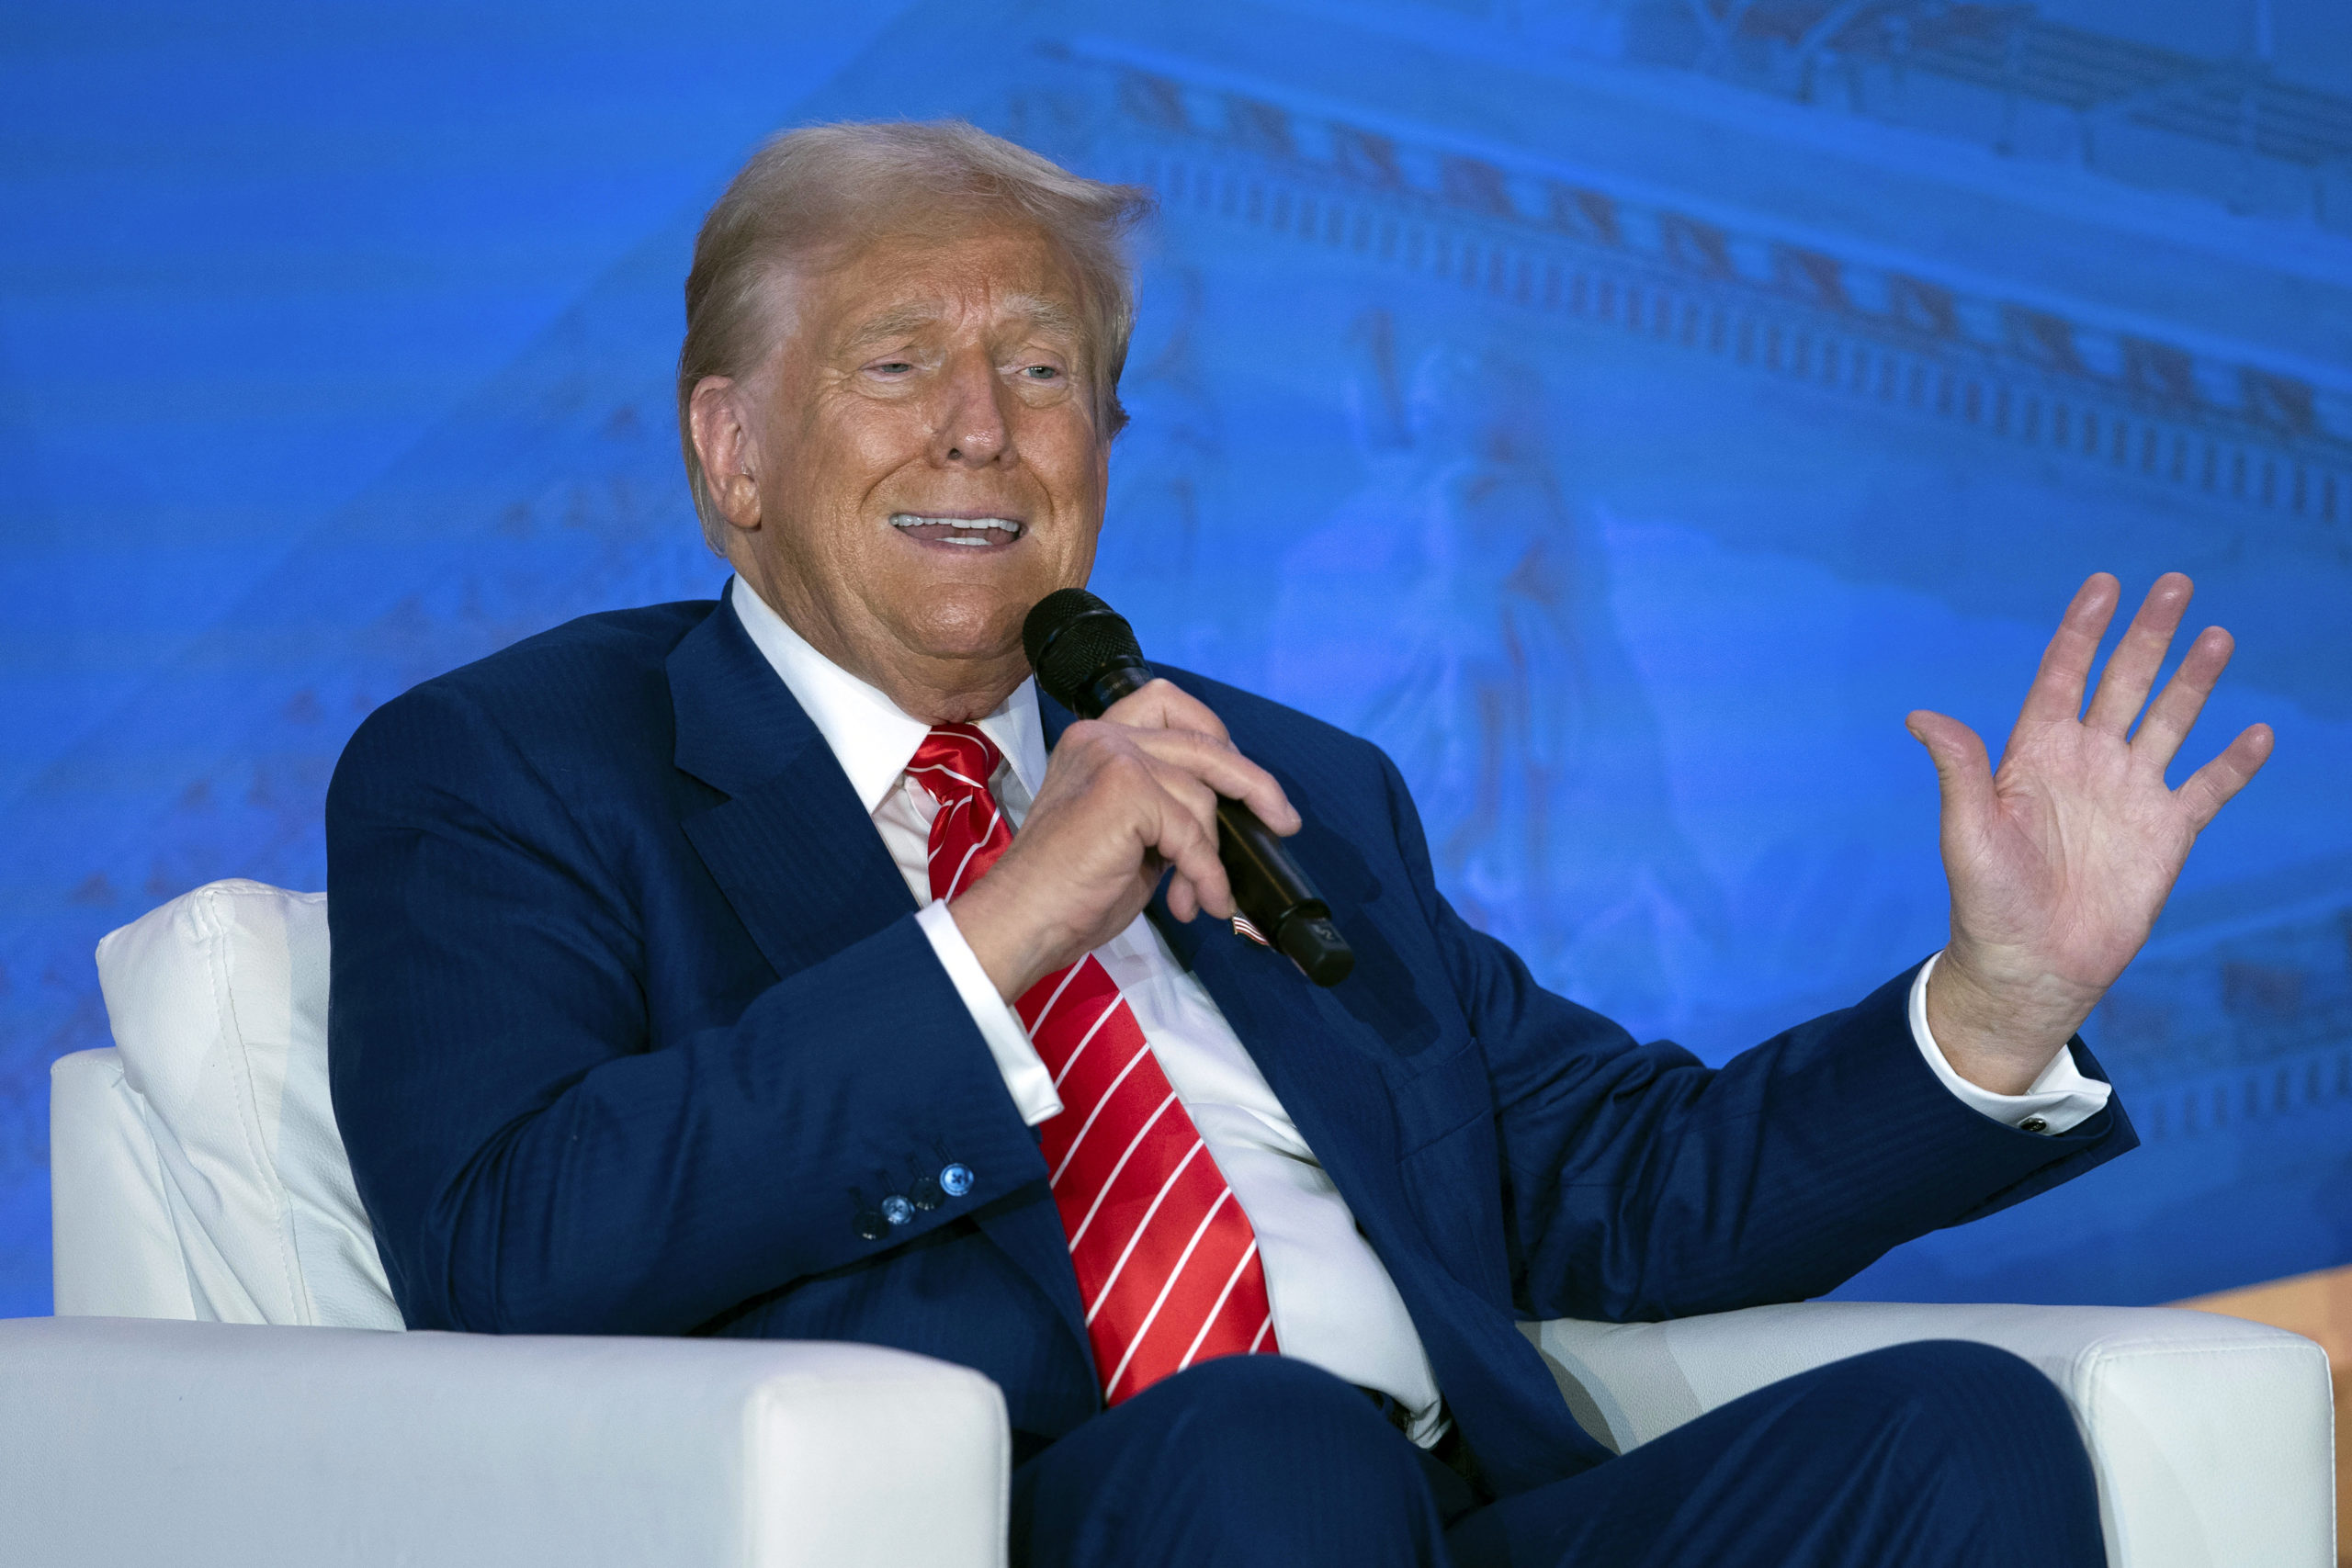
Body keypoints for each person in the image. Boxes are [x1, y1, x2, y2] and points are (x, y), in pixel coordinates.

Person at [325, 121, 2273, 1568]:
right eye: (896, 361)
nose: (983, 433)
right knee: (1266, 1448)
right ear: (728, 452)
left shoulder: (1284, 781)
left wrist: (1993, 1004)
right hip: (1025, 1524)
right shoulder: (508, 765)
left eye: (1043, 371)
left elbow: (1604, 1174)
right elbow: (511, 1242)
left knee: (1954, 1431)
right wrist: (1004, 922)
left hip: (1428, 1520)